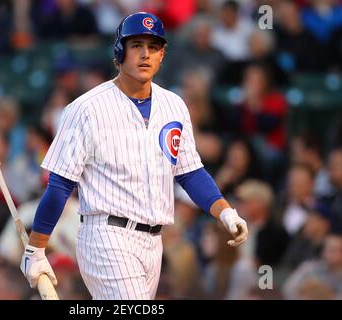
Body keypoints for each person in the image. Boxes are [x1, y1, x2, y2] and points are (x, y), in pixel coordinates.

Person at [20, 12, 248, 300]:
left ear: (162, 54)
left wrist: (225, 212)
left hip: (154, 240)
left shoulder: (174, 105)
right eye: (136, 45)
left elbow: (190, 173)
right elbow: (60, 184)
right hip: (106, 236)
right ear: (119, 52)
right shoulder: (86, 109)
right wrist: (36, 247)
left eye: (153, 47)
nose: (145, 54)